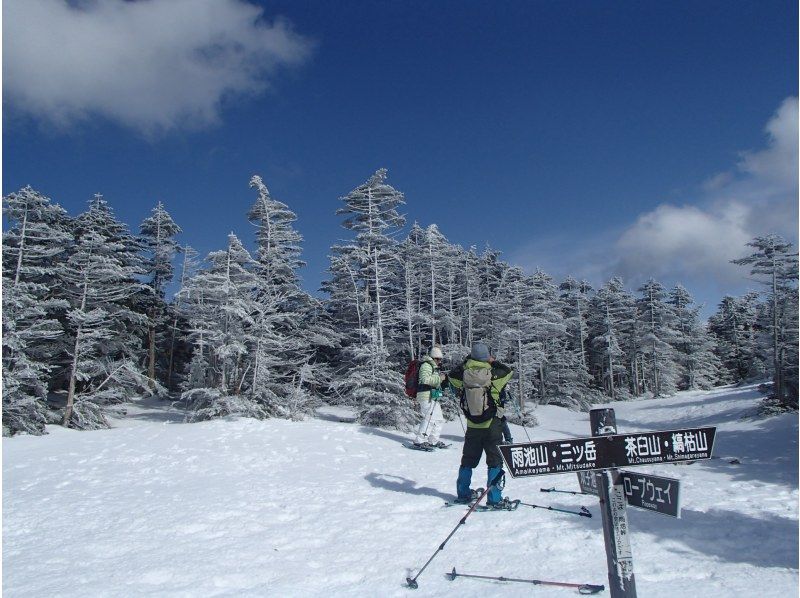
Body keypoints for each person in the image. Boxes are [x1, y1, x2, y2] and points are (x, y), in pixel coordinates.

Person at [448, 342, 514, 508]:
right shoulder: (494, 375)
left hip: (472, 425)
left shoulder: (463, 375)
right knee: (495, 462)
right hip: (492, 425)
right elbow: (508, 371)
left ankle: (463, 494)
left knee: (467, 461)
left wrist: (467, 362)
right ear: (487, 357)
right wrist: (493, 362)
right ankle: (494, 498)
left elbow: (451, 375)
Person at [413, 346, 448, 449]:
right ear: (433, 358)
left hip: (432, 396)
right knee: (429, 418)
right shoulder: (426, 365)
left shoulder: (433, 367)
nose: (439, 361)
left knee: (439, 419)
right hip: (425, 395)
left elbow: (434, 381)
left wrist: (442, 381)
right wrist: (439, 378)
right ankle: (419, 440)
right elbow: (424, 379)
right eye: (438, 359)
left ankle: (433, 440)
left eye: (440, 359)